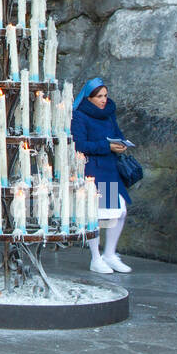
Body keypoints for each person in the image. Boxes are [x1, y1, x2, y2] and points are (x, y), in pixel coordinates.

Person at [71, 77, 132, 274]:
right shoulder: (79, 116)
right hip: (95, 171)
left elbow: (117, 133)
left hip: (110, 168)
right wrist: (106, 146)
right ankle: (96, 258)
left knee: (119, 211)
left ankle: (109, 254)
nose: (104, 99)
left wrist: (120, 144)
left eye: (105, 95)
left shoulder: (108, 113)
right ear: (89, 98)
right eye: (99, 96)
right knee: (97, 216)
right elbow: (79, 145)